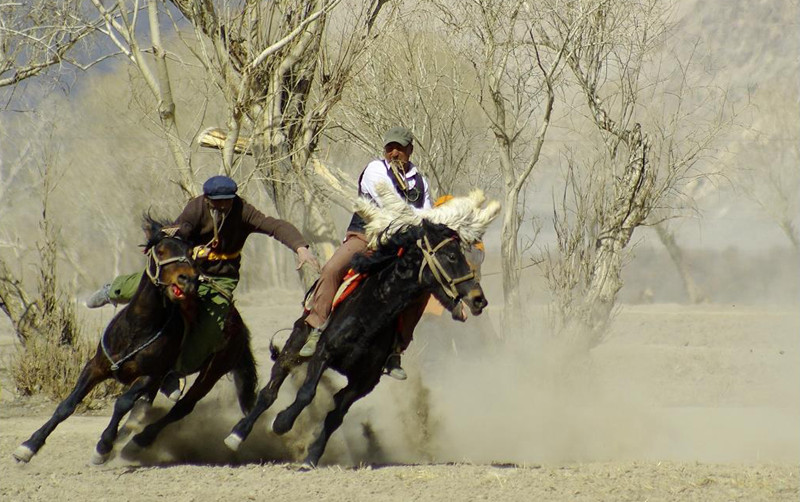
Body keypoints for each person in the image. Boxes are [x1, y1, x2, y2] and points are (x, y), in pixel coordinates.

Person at [86, 175, 319, 398]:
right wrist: (183, 246)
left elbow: (274, 226)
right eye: (218, 202)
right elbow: (182, 229)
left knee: (211, 327)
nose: (223, 206)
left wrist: (300, 247)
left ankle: (171, 370)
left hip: (221, 280)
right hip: (190, 269)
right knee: (147, 286)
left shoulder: (243, 211)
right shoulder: (196, 207)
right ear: (207, 200)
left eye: (228, 200)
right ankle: (113, 290)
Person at [298, 126, 433, 380]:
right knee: (332, 269)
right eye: (389, 147)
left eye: (400, 148)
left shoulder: (421, 182)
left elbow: (427, 214)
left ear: (410, 150)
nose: (394, 152)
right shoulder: (375, 170)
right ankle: (316, 326)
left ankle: (395, 349)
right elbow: (390, 205)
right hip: (365, 237)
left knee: (419, 290)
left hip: (401, 245)